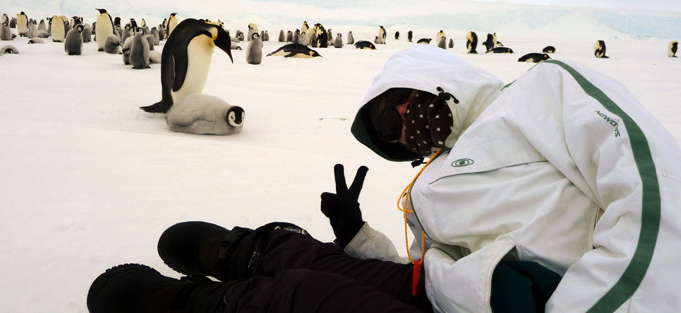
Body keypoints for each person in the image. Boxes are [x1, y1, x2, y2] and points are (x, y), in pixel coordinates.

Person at [88, 45, 681, 312]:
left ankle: (196, 304)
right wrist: (358, 238)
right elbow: (435, 269)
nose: (401, 129)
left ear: (430, 76)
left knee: (304, 298)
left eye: (393, 108)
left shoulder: (545, 89)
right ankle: (254, 250)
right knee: (311, 261)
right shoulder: (433, 179)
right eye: (386, 133)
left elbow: (655, 193)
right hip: (446, 294)